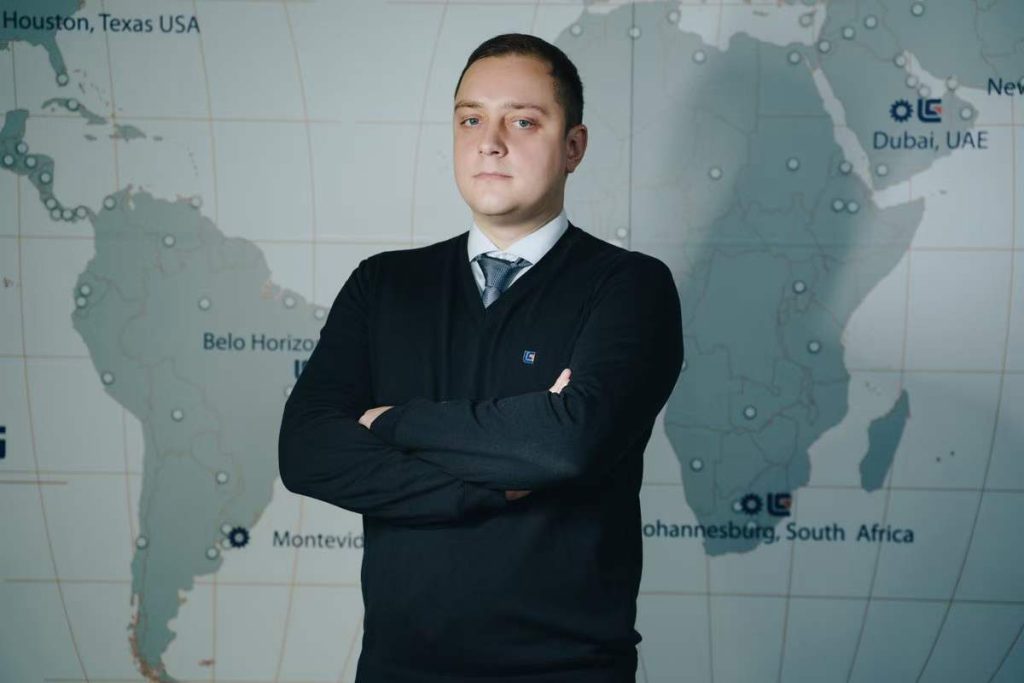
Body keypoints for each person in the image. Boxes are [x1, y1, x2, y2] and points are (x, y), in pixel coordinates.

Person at [278, 32, 683, 683]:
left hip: (566, 670)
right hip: (398, 669)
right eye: (470, 119)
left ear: (573, 146)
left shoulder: (629, 287)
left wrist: (387, 422)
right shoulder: (383, 285)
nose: (489, 142)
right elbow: (306, 450)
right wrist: (494, 479)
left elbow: (566, 445)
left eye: (522, 121)